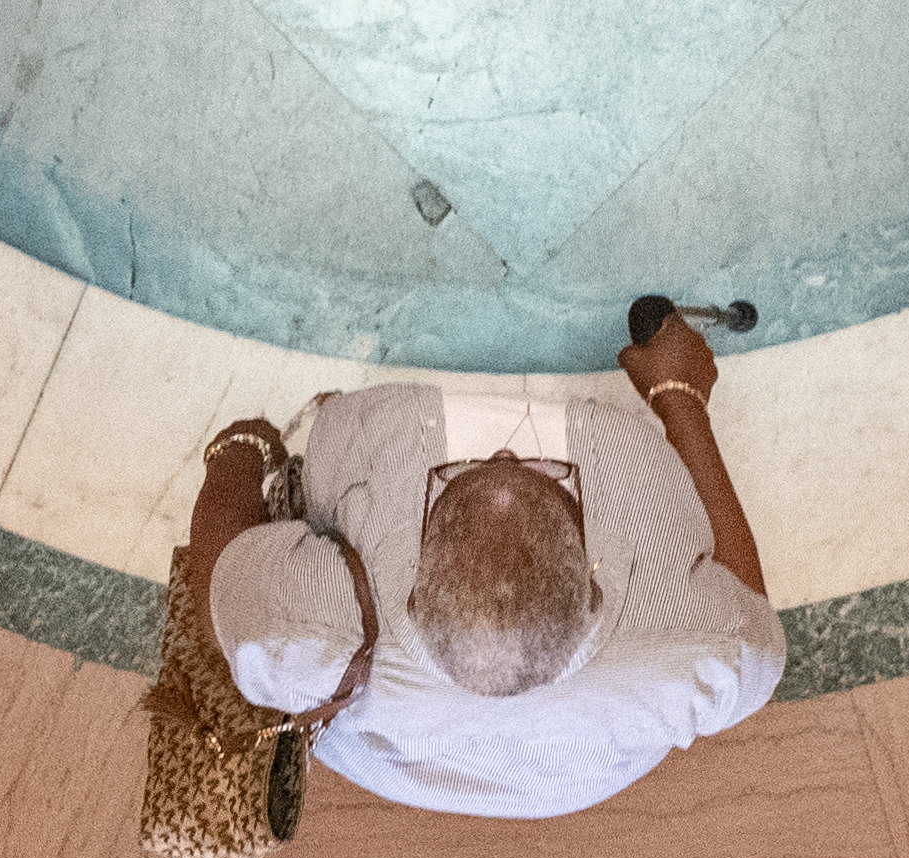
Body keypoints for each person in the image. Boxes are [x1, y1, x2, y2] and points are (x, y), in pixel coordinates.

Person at [187, 319, 780, 822]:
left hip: (386, 757)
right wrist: (682, 398)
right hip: (568, 786)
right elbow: (747, 598)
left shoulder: (302, 625)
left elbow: (223, 580)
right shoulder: (707, 651)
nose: (502, 452)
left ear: (416, 579)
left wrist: (239, 451)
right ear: (592, 576)